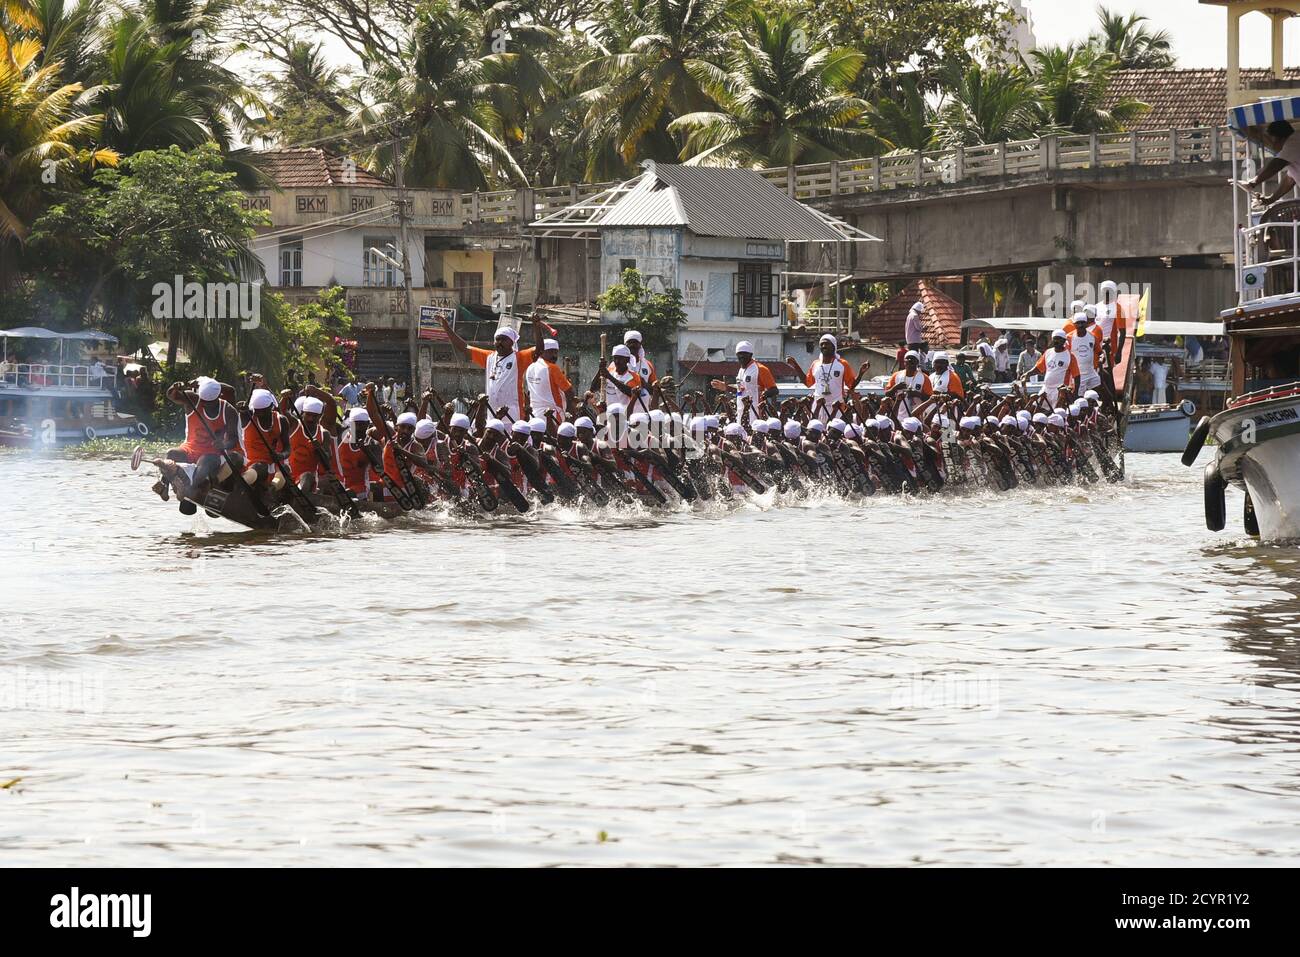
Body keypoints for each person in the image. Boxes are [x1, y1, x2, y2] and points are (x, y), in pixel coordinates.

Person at [154, 376, 240, 502]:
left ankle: (188, 490)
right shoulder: (193, 399)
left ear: (219, 396)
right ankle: (165, 485)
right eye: (203, 401)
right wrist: (175, 387)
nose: (205, 405)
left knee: (204, 463)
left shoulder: (228, 411)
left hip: (213, 454)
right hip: (190, 448)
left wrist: (223, 445)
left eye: (210, 403)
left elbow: (233, 440)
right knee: (171, 453)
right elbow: (172, 395)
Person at [439, 316, 536, 423]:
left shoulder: (519, 358)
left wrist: (537, 326)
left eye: (503, 339)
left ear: (511, 342)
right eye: (497, 339)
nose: (499, 342)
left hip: (513, 416)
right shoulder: (489, 357)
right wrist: (446, 327)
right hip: (492, 416)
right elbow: (463, 347)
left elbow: (539, 349)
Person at [785, 334, 856, 421]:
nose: (824, 346)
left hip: (837, 407)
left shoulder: (842, 364)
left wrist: (861, 373)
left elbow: (852, 384)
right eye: (821, 344)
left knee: (834, 432)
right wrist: (795, 365)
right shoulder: (815, 364)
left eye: (827, 344)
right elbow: (807, 383)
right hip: (818, 406)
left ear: (834, 346)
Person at [716, 341, 777, 426]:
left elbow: (774, 390)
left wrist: (764, 394)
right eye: (739, 354)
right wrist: (726, 388)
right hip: (741, 414)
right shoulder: (741, 371)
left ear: (750, 354)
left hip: (756, 414)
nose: (741, 356)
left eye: (744, 354)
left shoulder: (761, 369)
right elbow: (741, 391)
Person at [1243, 120, 1300, 206]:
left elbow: (1277, 165)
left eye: (1271, 139)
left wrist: (1254, 182)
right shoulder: (1292, 148)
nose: (1272, 144)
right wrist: (1270, 199)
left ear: (1279, 138)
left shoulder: (1294, 141)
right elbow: (1289, 180)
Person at [1022, 330, 1079, 406]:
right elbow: (1039, 368)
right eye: (1055, 338)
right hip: (1046, 389)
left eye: (1059, 339)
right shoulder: (1048, 352)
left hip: (1059, 391)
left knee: (1056, 413)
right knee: (1037, 408)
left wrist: (1075, 393)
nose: (1056, 341)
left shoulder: (1070, 356)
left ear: (1064, 341)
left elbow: (1077, 376)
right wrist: (1028, 374)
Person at [525, 335, 574, 421]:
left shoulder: (530, 367)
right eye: (550, 352)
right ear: (542, 352)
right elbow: (569, 392)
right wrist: (569, 411)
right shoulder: (552, 368)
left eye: (556, 352)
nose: (554, 356)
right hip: (553, 414)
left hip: (534, 415)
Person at [886, 350, 932, 417]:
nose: (910, 360)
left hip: (916, 416)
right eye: (908, 358)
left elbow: (929, 398)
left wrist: (917, 394)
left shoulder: (924, 378)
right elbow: (887, 394)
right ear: (904, 362)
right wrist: (895, 387)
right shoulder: (896, 375)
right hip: (898, 415)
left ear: (917, 362)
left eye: (913, 358)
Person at [1068, 311, 1104, 394]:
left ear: (1087, 323)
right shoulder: (1069, 338)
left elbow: (1100, 352)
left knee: (1101, 392)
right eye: (1078, 323)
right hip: (1077, 375)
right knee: (1077, 397)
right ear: (1074, 324)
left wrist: (1102, 358)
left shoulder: (1092, 336)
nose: (1080, 325)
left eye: (1083, 323)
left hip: (1091, 372)